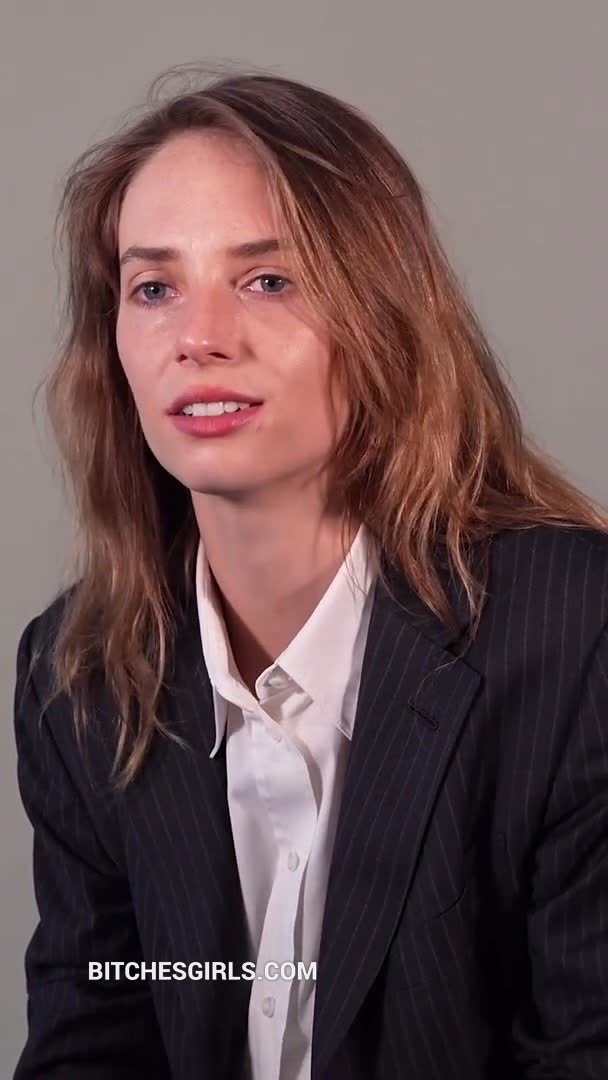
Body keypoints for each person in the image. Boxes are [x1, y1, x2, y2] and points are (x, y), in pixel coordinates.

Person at [12, 64, 608, 1080]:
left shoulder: (575, 634)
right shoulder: (78, 675)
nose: (198, 339)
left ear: (382, 318)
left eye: (267, 281)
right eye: (153, 288)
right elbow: (94, 1038)